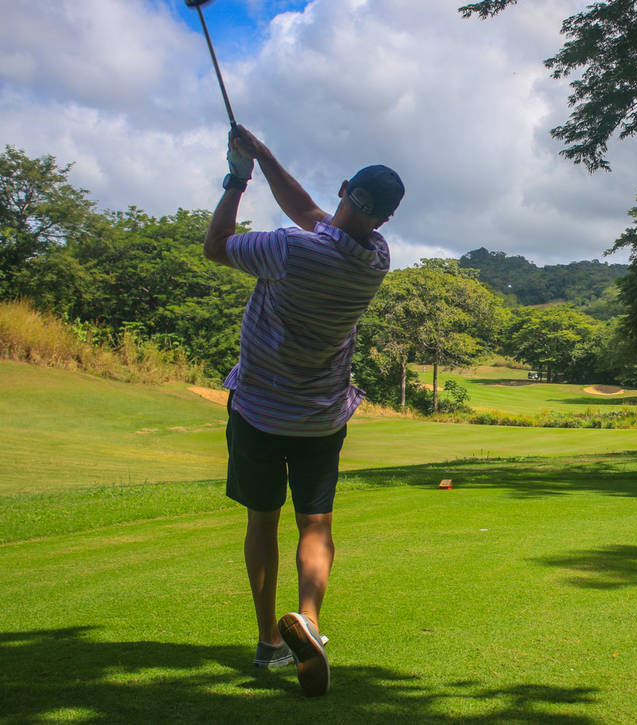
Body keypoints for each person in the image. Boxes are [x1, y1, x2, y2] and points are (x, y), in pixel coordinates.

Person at [203, 125, 404, 697]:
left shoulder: (288, 249)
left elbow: (216, 246)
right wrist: (265, 155)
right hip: (322, 416)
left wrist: (239, 176)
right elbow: (312, 212)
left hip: (260, 411)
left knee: (262, 519)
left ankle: (270, 640)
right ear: (384, 220)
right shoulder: (375, 258)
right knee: (315, 523)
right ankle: (309, 622)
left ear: (345, 188)